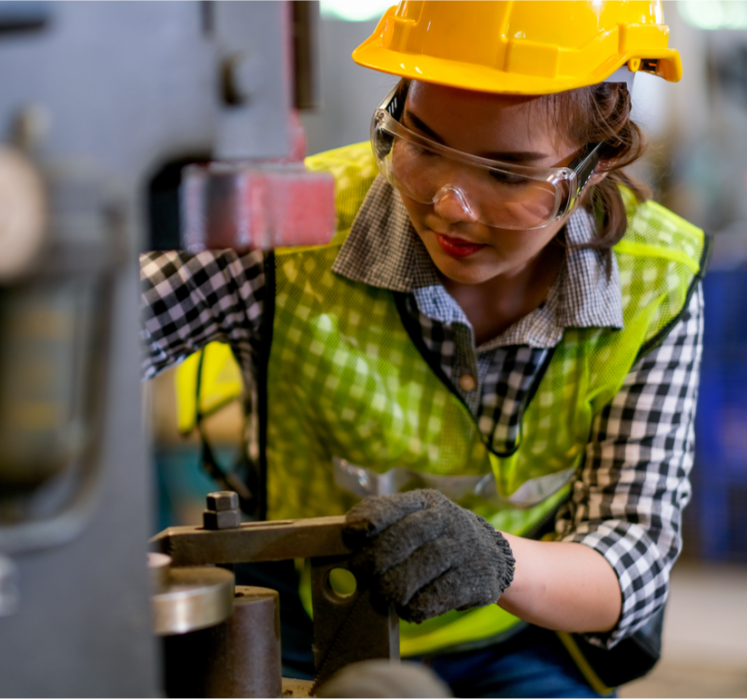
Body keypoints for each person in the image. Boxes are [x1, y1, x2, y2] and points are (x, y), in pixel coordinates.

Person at [141, 2, 704, 697]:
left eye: (506, 174)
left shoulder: (657, 279)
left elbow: (634, 553)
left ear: (598, 163)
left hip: (517, 638)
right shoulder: (294, 226)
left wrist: (496, 562)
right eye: (424, 145)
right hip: (299, 622)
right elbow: (100, 338)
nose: (449, 204)